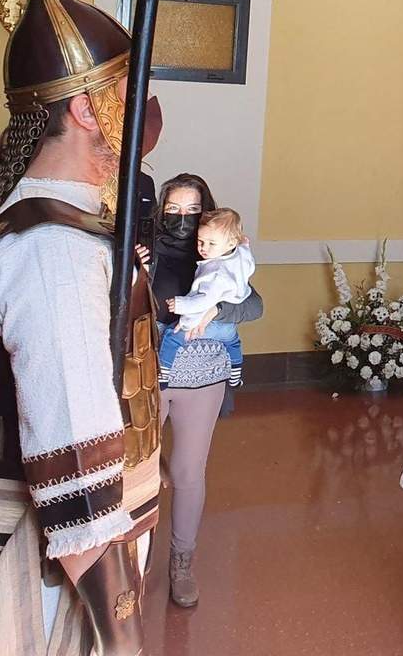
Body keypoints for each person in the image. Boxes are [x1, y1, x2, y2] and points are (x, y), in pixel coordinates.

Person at [0, 0, 163, 655]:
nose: (136, 107)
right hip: (42, 581)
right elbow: (75, 467)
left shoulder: (25, 224)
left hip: (17, 552)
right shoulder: (54, 252)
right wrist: (124, 637)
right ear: (86, 109)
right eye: (121, 92)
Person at [147, 173, 265, 609]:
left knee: (188, 473)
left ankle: (181, 562)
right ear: (161, 212)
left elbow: (254, 304)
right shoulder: (145, 250)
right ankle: (130, 557)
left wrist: (217, 306)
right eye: (173, 210)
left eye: (192, 211)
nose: (182, 219)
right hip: (151, 375)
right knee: (136, 471)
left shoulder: (222, 254)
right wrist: (135, 267)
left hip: (203, 376)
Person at [158, 206, 254, 389]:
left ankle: (163, 374)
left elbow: (205, 300)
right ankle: (235, 375)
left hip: (210, 324)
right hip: (228, 326)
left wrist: (180, 305)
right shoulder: (239, 255)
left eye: (211, 243)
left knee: (172, 336)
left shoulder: (216, 273)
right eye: (200, 241)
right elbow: (248, 258)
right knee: (233, 343)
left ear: (230, 243)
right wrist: (245, 244)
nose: (204, 248)